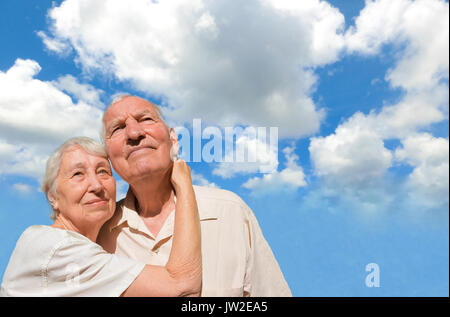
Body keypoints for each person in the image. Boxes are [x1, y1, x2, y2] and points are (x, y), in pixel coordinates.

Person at [97, 95, 292, 296]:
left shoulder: (230, 211)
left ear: (173, 139)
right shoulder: (96, 234)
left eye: (145, 119)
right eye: (117, 128)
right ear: (108, 156)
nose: (134, 133)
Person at [0, 137, 201, 297]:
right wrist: (183, 184)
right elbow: (182, 287)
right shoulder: (56, 247)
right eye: (78, 174)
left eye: (103, 172)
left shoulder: (86, 251)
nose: (96, 186)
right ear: (53, 197)